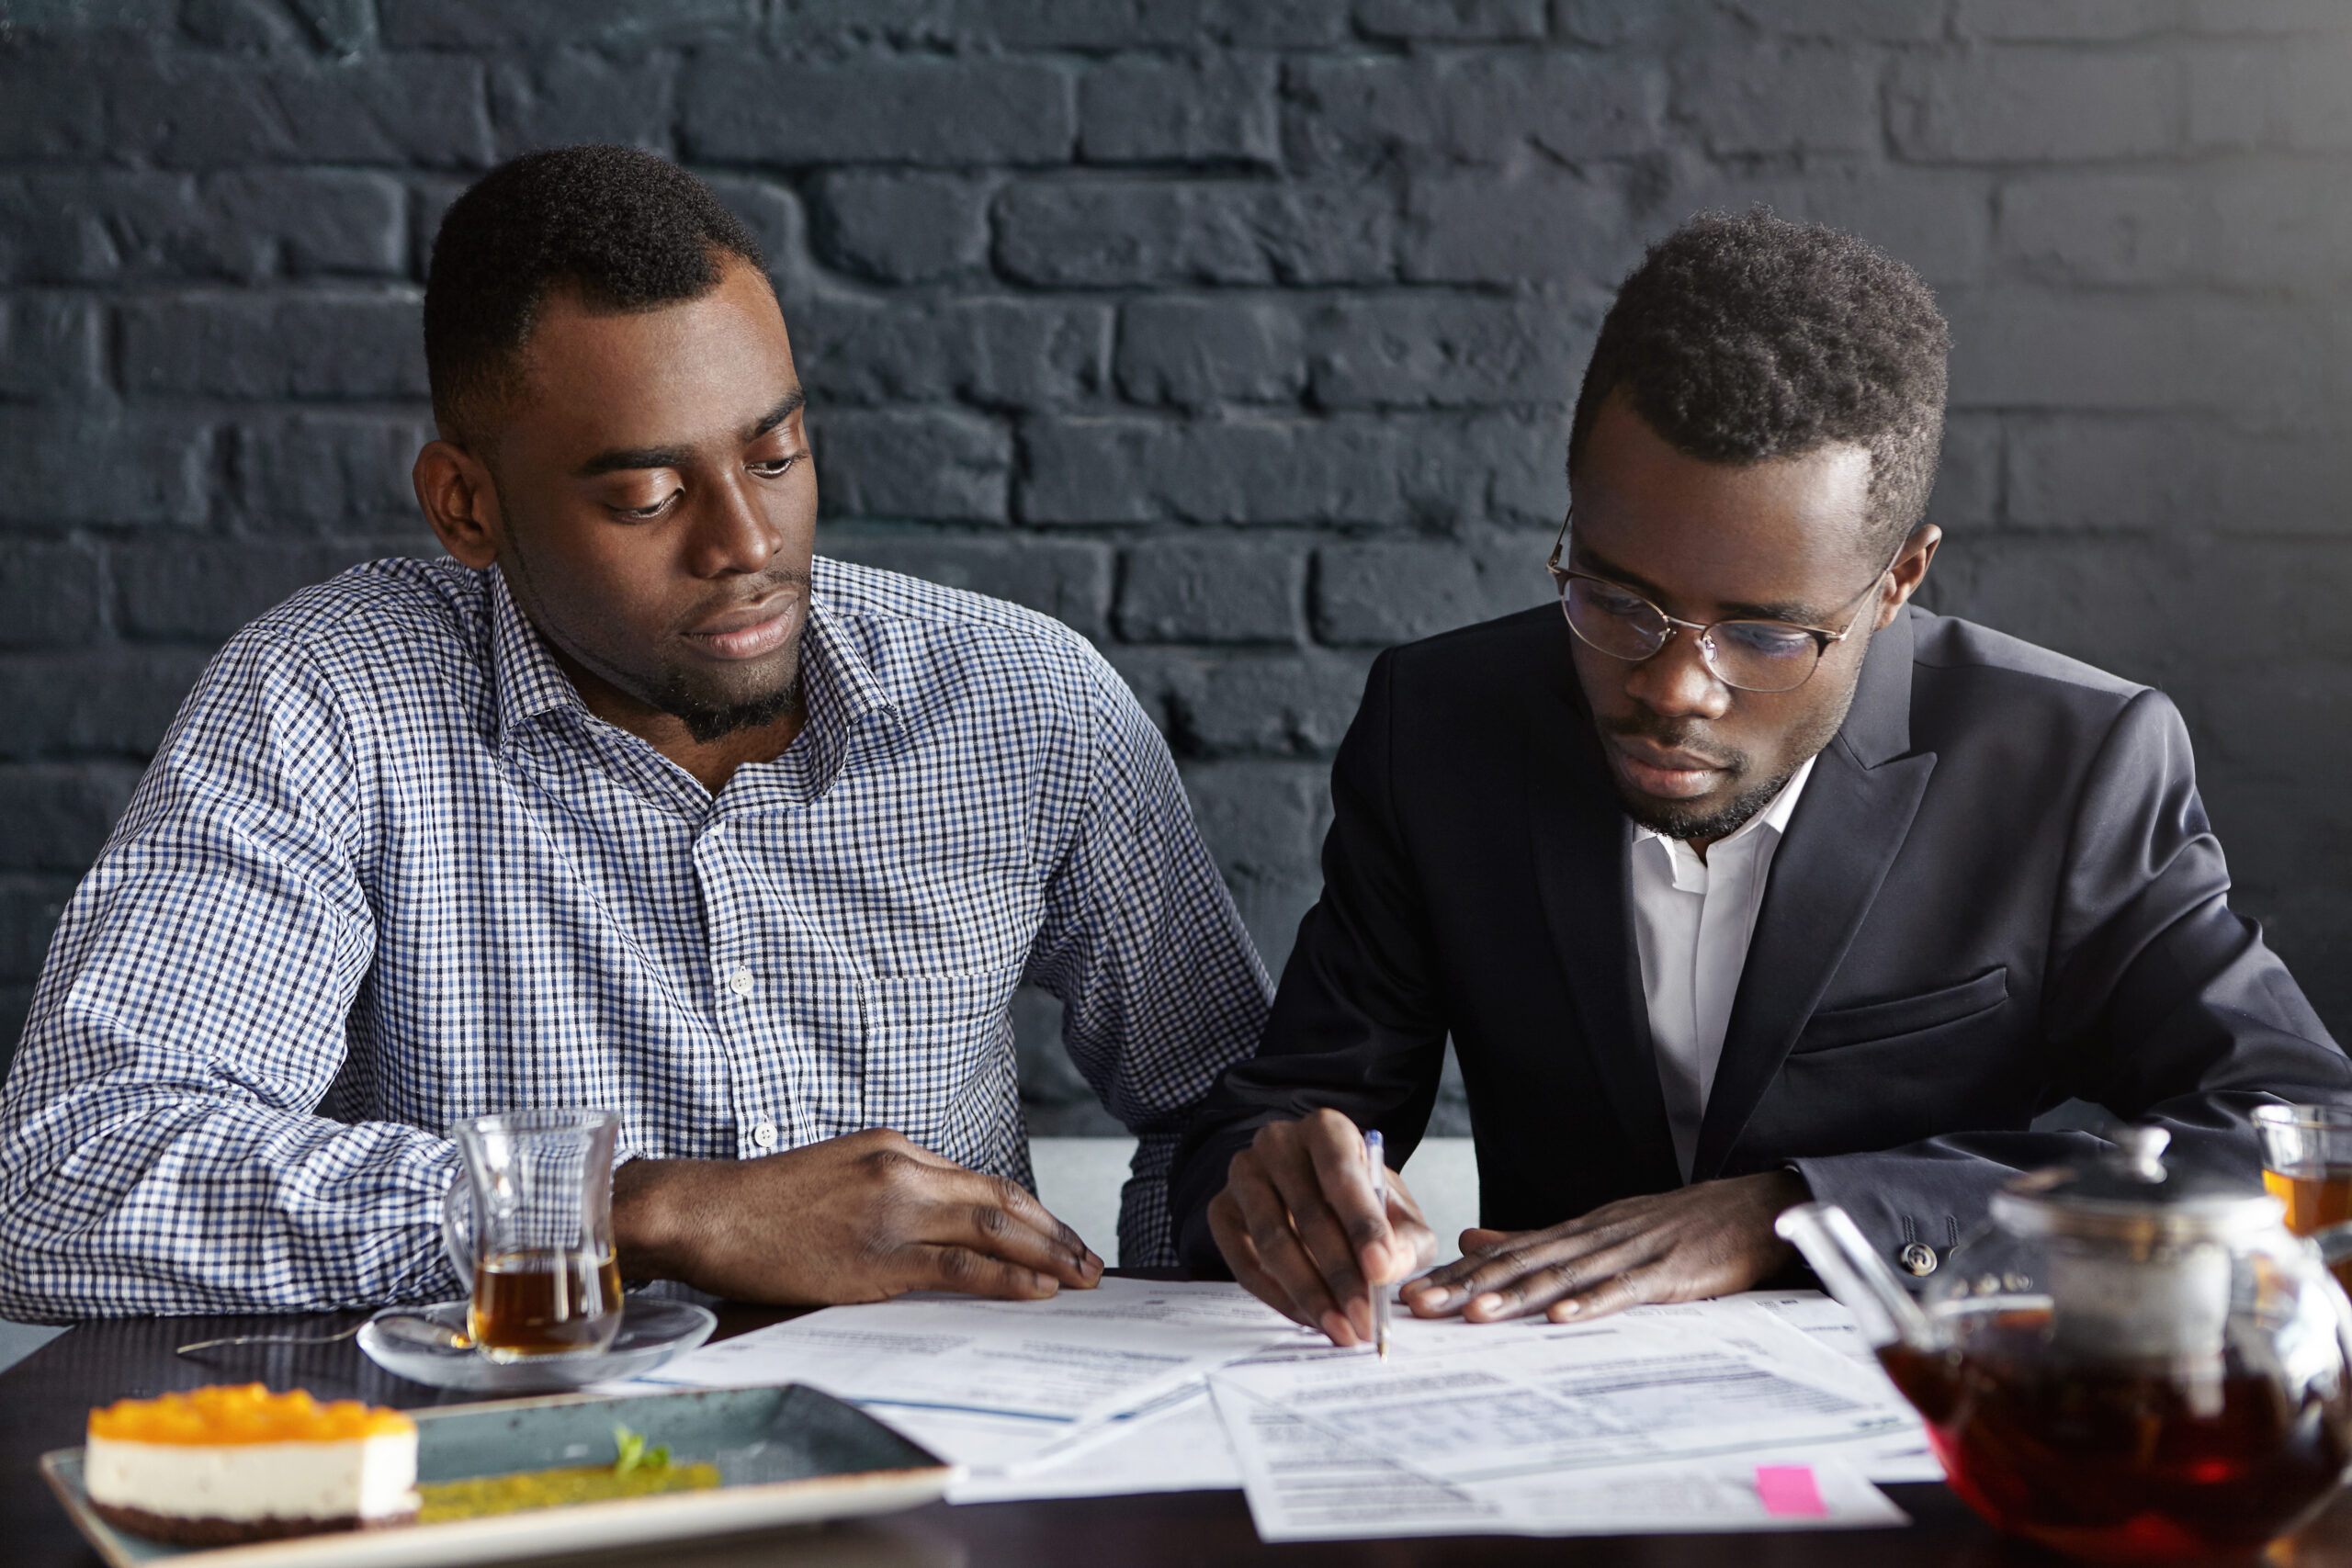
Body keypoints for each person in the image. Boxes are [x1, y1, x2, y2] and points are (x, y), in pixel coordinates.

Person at [0, 145, 1271, 1319]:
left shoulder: (1024, 701)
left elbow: (1222, 1106)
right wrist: (646, 1210)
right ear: (466, 506)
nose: (746, 544)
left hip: (958, 1482)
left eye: (775, 456)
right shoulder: (330, 703)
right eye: (648, 495)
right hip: (529, 1489)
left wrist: (1260, 1203)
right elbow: (61, 1173)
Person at [1170, 209, 2352, 1348]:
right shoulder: (1440, 728)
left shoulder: (2070, 768)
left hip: (1909, 1449)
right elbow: (1273, 1116)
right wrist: (1281, 1184)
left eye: (1768, 634)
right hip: (1547, 1447)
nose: (1676, 690)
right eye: (1615, 600)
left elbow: (2303, 1134)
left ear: (1897, 582)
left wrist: (1800, 1212)